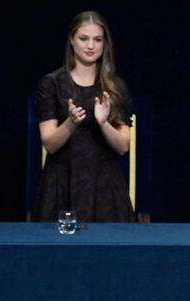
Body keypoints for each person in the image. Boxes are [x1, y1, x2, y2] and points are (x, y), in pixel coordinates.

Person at [32, 11, 135, 223]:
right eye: (83, 38)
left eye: (97, 40)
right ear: (71, 40)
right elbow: (49, 143)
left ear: (105, 43)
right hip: (62, 183)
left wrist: (103, 123)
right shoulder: (52, 83)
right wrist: (71, 123)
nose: (90, 46)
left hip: (105, 188)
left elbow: (123, 146)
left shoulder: (115, 87)